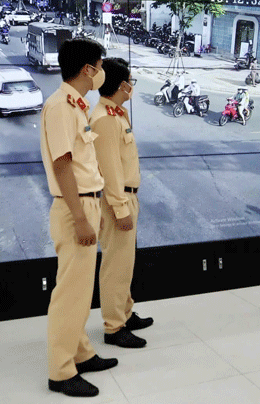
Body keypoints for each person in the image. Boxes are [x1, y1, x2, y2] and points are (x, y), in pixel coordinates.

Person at [40, 38, 117, 398]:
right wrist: (81, 217)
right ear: (88, 69)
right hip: (74, 209)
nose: (102, 72)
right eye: (100, 65)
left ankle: (81, 352)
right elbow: (62, 165)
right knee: (70, 295)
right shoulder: (60, 107)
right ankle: (60, 371)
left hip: (85, 203)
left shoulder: (74, 105)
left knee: (81, 291)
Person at [89, 58, 154, 350]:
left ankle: (125, 313)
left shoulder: (117, 114)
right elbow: (109, 171)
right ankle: (113, 327)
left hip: (128, 196)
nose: (132, 85)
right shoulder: (103, 119)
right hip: (118, 200)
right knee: (116, 266)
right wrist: (119, 208)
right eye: (130, 80)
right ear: (120, 85)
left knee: (125, 263)